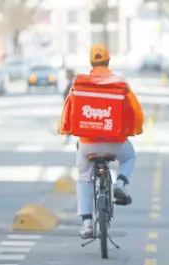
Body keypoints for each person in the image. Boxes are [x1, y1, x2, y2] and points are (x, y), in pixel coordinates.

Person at [59, 43, 144, 239]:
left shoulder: (79, 83)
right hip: (116, 141)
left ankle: (87, 224)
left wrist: (65, 130)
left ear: (91, 62)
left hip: (88, 144)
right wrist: (134, 130)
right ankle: (121, 184)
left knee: (83, 178)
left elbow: (68, 110)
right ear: (108, 61)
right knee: (129, 156)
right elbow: (135, 111)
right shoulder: (120, 83)